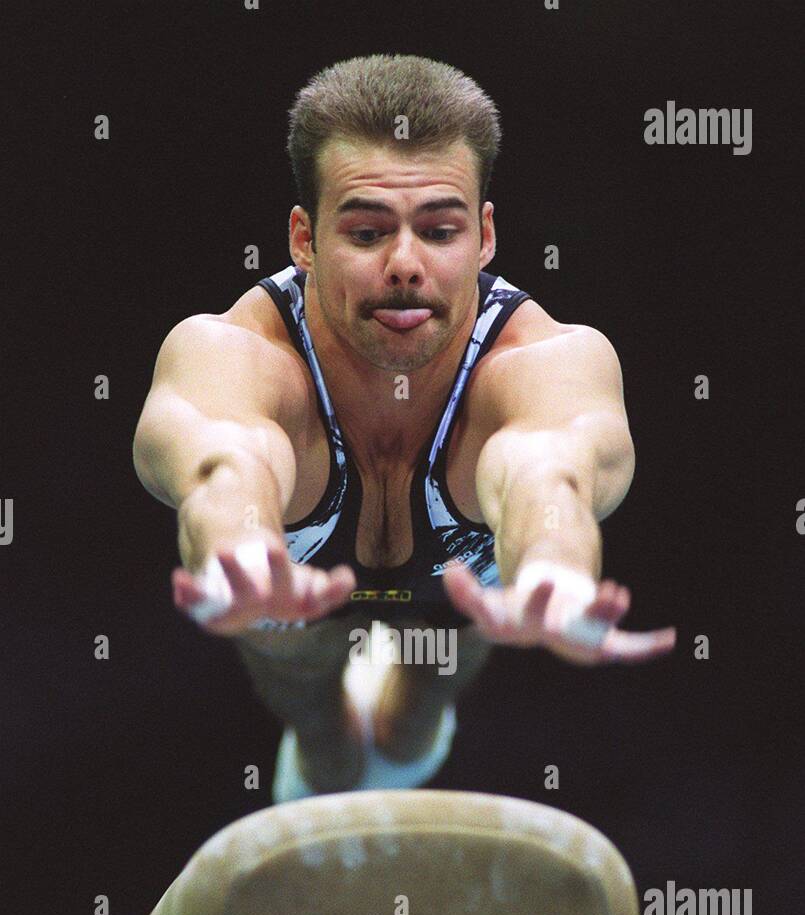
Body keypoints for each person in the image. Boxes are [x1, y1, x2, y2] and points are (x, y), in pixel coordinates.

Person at [133, 54, 675, 800]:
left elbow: (546, 471)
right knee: (306, 697)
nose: (405, 265)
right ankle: (322, 735)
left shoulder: (547, 361)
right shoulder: (232, 353)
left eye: (440, 230)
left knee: (416, 713)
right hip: (293, 598)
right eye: (364, 233)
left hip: (456, 605)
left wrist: (552, 569)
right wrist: (241, 549)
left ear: (483, 237)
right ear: (303, 239)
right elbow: (227, 462)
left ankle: (409, 719)